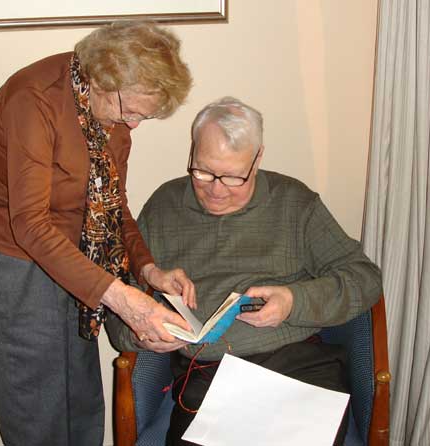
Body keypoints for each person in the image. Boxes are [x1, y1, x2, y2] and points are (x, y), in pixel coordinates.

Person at [0, 21, 197, 446]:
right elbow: (30, 225)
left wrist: (148, 271)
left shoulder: (112, 115)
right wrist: (123, 298)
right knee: (36, 403)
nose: (135, 125)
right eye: (133, 111)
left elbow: (113, 205)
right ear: (105, 79)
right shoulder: (33, 100)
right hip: (14, 260)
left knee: (82, 395)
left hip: (78, 256)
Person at [106, 97, 383, 445]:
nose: (216, 189)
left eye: (234, 177)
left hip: (298, 368)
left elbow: (365, 278)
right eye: (203, 171)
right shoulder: (164, 206)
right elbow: (119, 300)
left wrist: (294, 301)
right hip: (208, 376)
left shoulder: (295, 203)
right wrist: (142, 333)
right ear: (192, 153)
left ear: (258, 159)